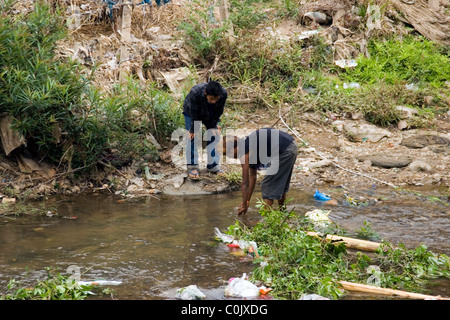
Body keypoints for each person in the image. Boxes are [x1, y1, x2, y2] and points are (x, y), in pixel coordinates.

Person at [223, 128, 298, 214]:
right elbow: (252, 177)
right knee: (280, 183)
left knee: (267, 185)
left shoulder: (244, 151)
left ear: (235, 147)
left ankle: (266, 222)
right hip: (290, 146)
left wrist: (243, 205)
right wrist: (247, 201)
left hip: (284, 150)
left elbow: (245, 182)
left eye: (228, 152)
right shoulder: (248, 147)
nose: (229, 156)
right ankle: (283, 213)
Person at [183, 80, 227, 180]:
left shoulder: (223, 94)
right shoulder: (195, 92)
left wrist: (213, 126)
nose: (214, 101)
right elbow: (195, 113)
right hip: (191, 112)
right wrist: (194, 130)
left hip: (210, 113)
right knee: (192, 137)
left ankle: (213, 166)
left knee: (214, 134)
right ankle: (192, 166)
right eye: (211, 99)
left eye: (216, 99)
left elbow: (219, 111)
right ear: (205, 93)